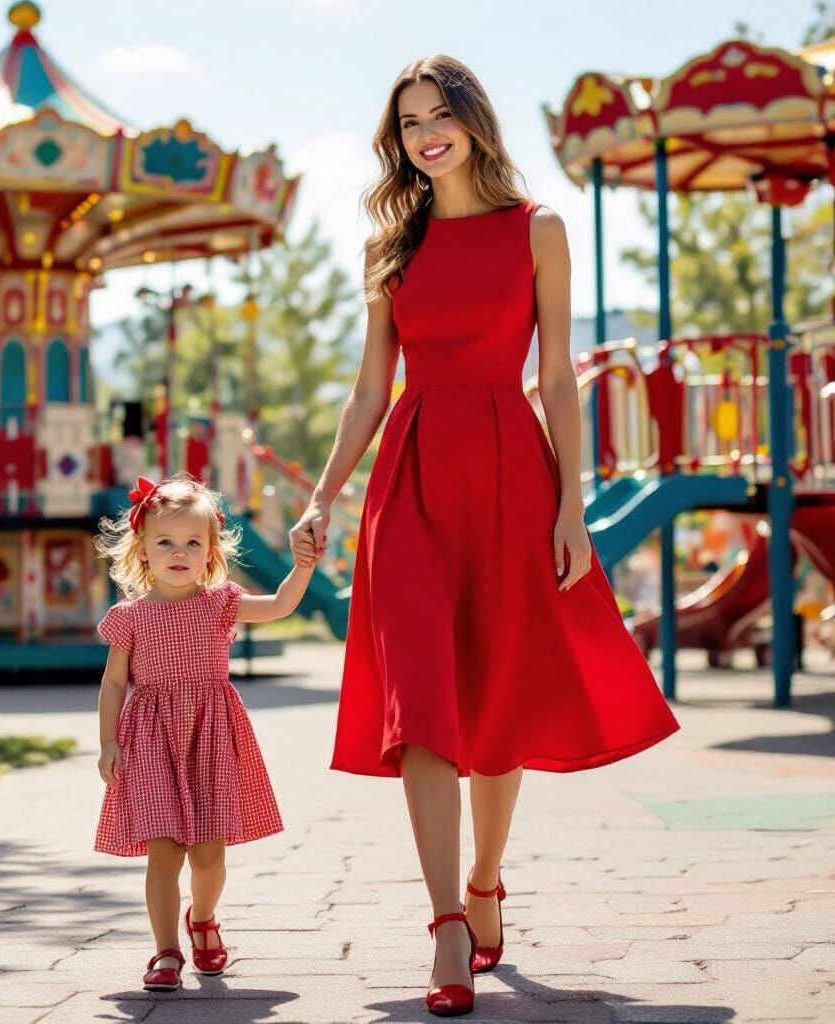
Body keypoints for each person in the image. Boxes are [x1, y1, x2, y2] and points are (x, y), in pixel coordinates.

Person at [288, 56, 681, 1017]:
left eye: (440, 114)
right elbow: (369, 388)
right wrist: (326, 495)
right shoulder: (390, 244)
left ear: (472, 120)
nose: (426, 133)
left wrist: (570, 507)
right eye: (409, 121)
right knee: (421, 701)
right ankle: (445, 927)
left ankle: (485, 879)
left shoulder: (538, 230)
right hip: (411, 482)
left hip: (510, 474)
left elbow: (557, 379)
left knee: (497, 696)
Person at [94, 473, 316, 993]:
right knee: (164, 852)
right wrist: (108, 742)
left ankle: (203, 917)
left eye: (193, 542)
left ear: (211, 551)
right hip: (150, 742)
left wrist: (303, 567)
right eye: (165, 542)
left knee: (209, 856)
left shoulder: (221, 603)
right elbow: (114, 682)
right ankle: (166, 950)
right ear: (142, 550)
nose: (179, 552)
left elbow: (280, 605)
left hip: (211, 738)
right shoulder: (129, 616)